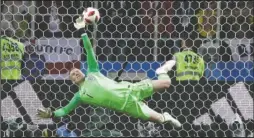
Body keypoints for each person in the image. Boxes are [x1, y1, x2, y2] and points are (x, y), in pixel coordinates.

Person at [36, 17, 181, 128]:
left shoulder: (93, 72)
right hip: (127, 107)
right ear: (73, 82)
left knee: (166, 83)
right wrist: (52, 113)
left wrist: (82, 31)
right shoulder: (80, 96)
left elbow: (89, 50)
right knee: (161, 119)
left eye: (77, 71)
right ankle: (166, 116)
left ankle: (162, 70)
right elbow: (64, 110)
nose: (76, 73)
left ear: (83, 72)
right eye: (73, 75)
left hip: (130, 89)